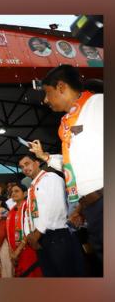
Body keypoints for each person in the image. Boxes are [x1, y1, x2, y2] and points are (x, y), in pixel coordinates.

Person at [30, 64, 103, 265]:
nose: (45, 100)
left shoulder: (98, 104)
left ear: (61, 87)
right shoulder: (69, 123)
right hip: (92, 206)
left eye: (47, 93)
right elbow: (76, 163)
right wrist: (81, 206)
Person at [18, 154, 84, 276]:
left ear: (37, 163)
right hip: (39, 239)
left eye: (27, 164)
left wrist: (37, 234)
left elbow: (55, 207)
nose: (25, 168)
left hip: (56, 236)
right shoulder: (32, 187)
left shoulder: (51, 178)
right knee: (51, 275)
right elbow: (29, 214)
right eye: (22, 167)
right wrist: (29, 235)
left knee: (66, 275)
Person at [6, 183, 42, 277]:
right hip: (15, 253)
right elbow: (8, 233)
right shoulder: (11, 211)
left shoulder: (28, 207)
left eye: (17, 191)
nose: (13, 193)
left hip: (27, 249)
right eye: (12, 192)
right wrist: (12, 253)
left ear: (25, 193)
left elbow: (30, 229)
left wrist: (18, 250)